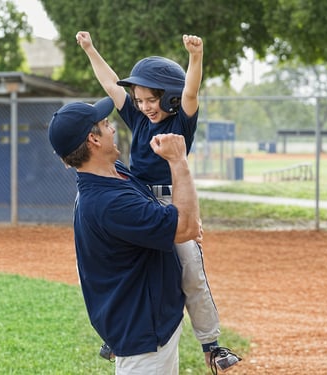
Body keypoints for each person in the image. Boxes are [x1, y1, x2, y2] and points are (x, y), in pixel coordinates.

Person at [75, 31, 236, 368]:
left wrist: (195, 57)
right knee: (128, 270)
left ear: (170, 98)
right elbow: (110, 85)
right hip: (140, 202)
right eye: (140, 100)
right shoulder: (138, 118)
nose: (144, 107)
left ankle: (212, 343)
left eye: (151, 99)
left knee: (191, 270)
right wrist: (90, 49)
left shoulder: (181, 122)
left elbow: (191, 90)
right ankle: (115, 336)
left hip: (172, 205)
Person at [48, 96, 203, 374]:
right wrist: (178, 160)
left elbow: (178, 223)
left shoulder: (114, 173)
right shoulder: (108, 202)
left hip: (150, 323)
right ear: (93, 140)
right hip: (143, 337)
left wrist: (179, 222)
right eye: (105, 124)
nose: (112, 128)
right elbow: (186, 228)